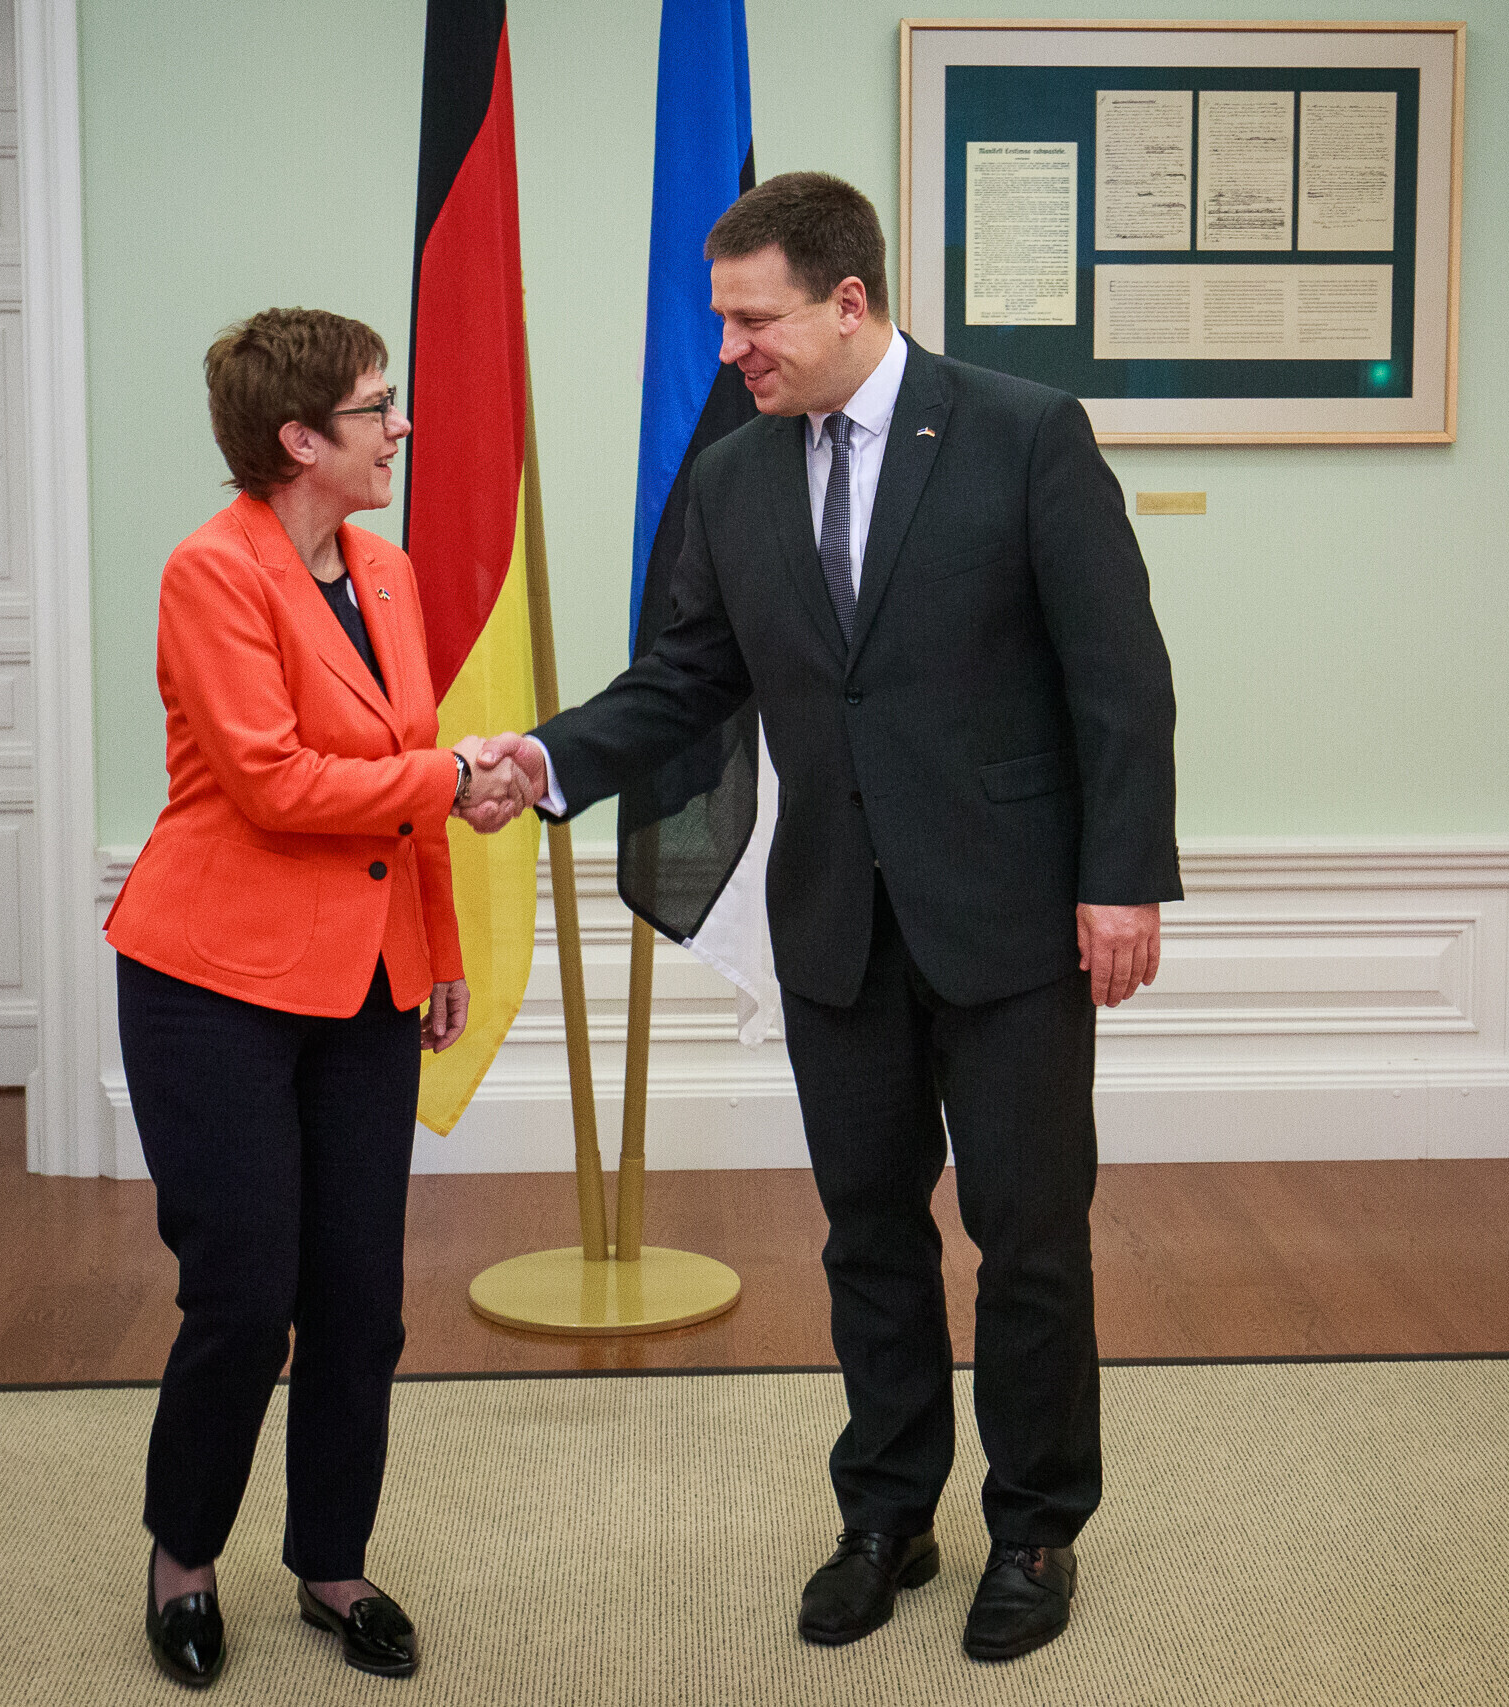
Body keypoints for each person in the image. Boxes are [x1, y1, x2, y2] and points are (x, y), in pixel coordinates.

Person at [459, 173, 1178, 1664]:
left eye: (752, 319)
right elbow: (686, 681)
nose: (729, 349)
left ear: (849, 302)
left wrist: (1119, 880)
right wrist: (546, 761)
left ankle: (1035, 1526)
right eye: (722, 320)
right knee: (868, 1235)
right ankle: (888, 1514)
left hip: (1009, 922)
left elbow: (1120, 679)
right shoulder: (733, 479)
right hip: (837, 924)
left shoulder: (1023, 434)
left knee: (1029, 1238)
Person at [107, 307, 533, 1689]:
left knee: (360, 1298)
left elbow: (406, 769)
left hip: (365, 982)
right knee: (244, 1294)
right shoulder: (210, 572)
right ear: (298, 439)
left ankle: (331, 1566)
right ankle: (184, 1561)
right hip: (212, 984)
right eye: (375, 408)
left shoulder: (386, 571)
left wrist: (441, 950)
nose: (400, 427)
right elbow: (274, 781)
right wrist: (450, 779)